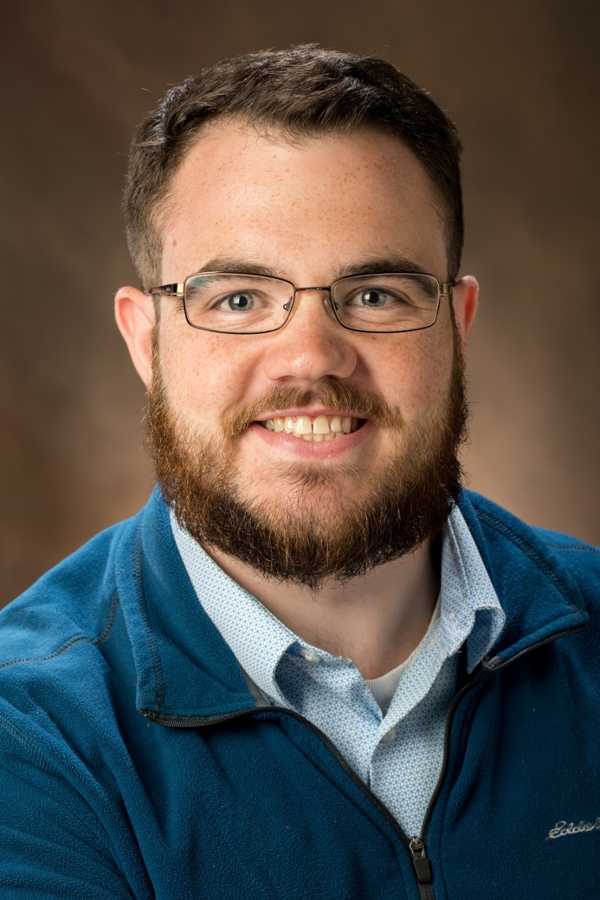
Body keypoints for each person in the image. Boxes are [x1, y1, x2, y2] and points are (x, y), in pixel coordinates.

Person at [0, 45, 598, 900]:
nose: (311, 357)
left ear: (457, 327)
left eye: (376, 295)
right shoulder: (28, 738)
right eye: (239, 298)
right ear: (146, 341)